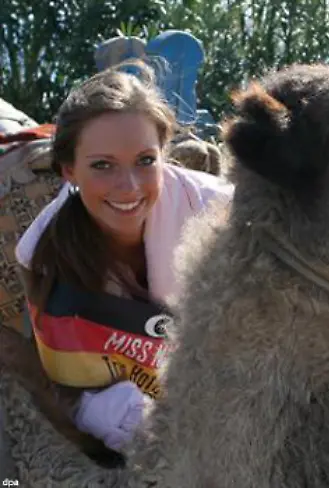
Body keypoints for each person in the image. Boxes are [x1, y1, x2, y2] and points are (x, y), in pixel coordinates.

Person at [11, 60, 234, 454]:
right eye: (102, 166)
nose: (129, 187)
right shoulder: (45, 254)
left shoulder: (225, 215)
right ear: (69, 171)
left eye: (146, 161)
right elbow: (76, 390)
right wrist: (157, 432)